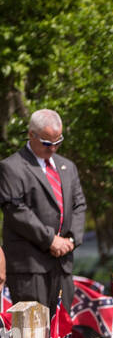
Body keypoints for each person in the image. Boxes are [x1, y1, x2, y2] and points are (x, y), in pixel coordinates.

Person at [0, 108, 86, 316]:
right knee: (33, 337)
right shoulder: (12, 167)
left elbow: (79, 204)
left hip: (62, 263)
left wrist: (71, 240)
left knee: (60, 332)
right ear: (31, 135)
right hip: (29, 267)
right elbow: (16, 209)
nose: (53, 148)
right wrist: (50, 240)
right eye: (47, 143)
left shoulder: (68, 167)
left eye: (58, 141)